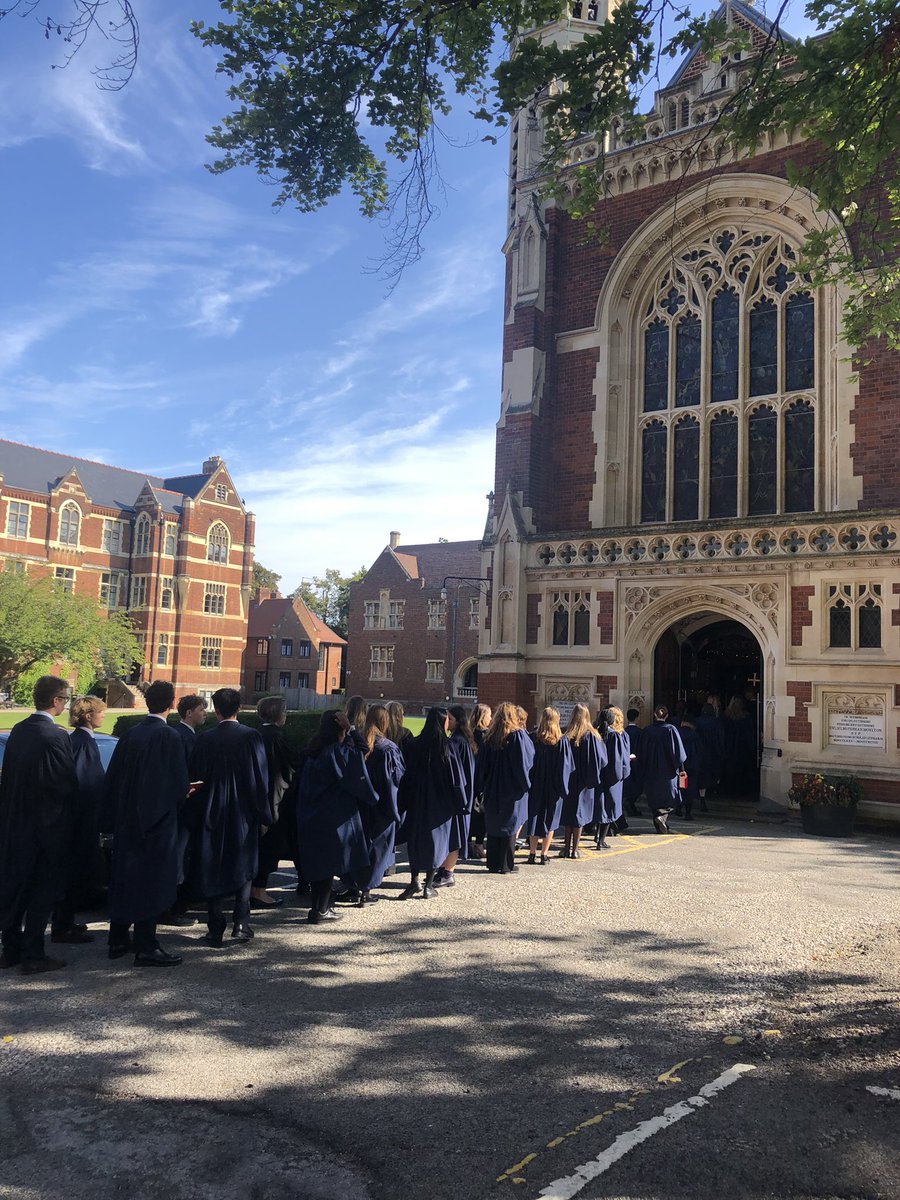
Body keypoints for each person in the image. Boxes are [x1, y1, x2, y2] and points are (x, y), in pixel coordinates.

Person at [101, 679, 189, 967]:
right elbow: (177, 785)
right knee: (152, 883)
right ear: (172, 703)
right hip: (157, 821)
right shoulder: (169, 737)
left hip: (127, 818)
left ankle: (117, 940)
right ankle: (146, 945)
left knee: (126, 878)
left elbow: (113, 778)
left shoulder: (130, 735)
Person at [0, 675, 78, 975]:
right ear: (56, 701)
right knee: (41, 891)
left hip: (15, 822)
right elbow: (65, 783)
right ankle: (33, 953)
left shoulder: (19, 731)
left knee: (16, 886)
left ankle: (11, 949)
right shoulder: (55, 736)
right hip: (46, 826)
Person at [188, 688, 271, 946]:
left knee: (213, 863)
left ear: (217, 710)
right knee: (244, 863)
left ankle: (215, 927)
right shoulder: (251, 737)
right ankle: (241, 922)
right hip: (242, 809)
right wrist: (264, 813)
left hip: (212, 808)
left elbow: (195, 779)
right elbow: (260, 778)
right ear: (239, 708)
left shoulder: (205, 739)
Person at [296, 710, 378, 922]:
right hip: (333, 814)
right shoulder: (337, 752)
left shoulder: (314, 750)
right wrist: (351, 728)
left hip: (311, 811)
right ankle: (321, 910)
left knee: (318, 863)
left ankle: (318, 907)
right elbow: (362, 750)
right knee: (328, 863)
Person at [50, 695, 107, 943]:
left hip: (76, 819)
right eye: (100, 712)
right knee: (74, 874)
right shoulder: (83, 743)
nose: (103, 716)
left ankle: (66, 920)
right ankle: (63, 925)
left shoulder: (79, 741)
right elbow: (87, 783)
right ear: (88, 715)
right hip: (81, 820)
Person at [397, 707, 465, 898]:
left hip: (417, 799)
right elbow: (456, 778)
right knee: (436, 842)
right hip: (440, 802)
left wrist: (404, 800)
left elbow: (406, 774)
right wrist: (459, 802)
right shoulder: (447, 746)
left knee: (416, 840)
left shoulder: (415, 744)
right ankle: (428, 885)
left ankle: (414, 881)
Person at [349, 704, 405, 903]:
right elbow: (394, 780)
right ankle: (366, 889)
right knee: (377, 848)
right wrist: (395, 810)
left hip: (359, 805)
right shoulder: (388, 748)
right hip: (382, 805)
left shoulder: (357, 743)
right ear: (385, 721)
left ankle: (353, 885)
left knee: (359, 844)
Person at [250, 694, 301, 909]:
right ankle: (259, 891)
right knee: (269, 846)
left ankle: (254, 888)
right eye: (284, 711)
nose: (286, 715)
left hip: (258, 796)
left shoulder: (256, 734)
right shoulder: (276, 736)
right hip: (275, 798)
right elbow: (293, 763)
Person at [480, 702, 535, 875]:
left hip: (493, 787)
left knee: (495, 823)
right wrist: (525, 784)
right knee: (510, 824)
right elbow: (524, 762)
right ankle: (505, 864)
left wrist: (483, 785)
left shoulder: (490, 737)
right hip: (512, 787)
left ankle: (493, 862)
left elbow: (482, 766)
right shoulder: (517, 736)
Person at [434, 704, 476, 888]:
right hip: (462, 795)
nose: (446, 721)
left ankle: (448, 872)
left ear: (458, 722)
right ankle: (445, 869)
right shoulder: (460, 740)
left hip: (458, 796)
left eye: (450, 719)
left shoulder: (457, 742)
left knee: (454, 834)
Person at [526, 707, 574, 865]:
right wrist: (563, 788)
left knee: (535, 817)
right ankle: (544, 854)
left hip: (536, 784)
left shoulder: (533, 737)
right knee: (550, 819)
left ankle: (532, 853)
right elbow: (565, 767)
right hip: (553, 785)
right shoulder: (561, 740)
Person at [561, 704, 607, 859]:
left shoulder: (566, 734)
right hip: (584, 781)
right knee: (579, 814)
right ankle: (575, 849)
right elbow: (601, 760)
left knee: (568, 813)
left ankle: (566, 848)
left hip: (569, 780)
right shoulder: (592, 736)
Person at [640, 705, 687, 833]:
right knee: (668, 798)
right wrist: (681, 768)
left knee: (654, 798)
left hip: (651, 771)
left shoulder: (647, 730)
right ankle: (661, 818)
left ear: (655, 715)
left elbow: (641, 752)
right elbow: (679, 753)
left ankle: (660, 823)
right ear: (666, 716)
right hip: (668, 771)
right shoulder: (671, 730)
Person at [594, 707, 631, 848]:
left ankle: (597, 835)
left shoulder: (596, 734)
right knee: (609, 807)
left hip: (598, 777)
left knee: (600, 807)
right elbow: (617, 760)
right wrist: (622, 775)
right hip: (611, 777)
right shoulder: (615, 735)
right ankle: (601, 840)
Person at [466, 703, 492, 861]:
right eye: (489, 715)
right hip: (481, 780)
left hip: (469, 780)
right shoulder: (486, 736)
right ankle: (479, 845)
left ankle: (468, 843)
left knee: (469, 812)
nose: (491, 718)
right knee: (481, 814)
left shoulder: (468, 734)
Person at [677, 712, 703, 820]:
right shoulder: (694, 735)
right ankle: (688, 812)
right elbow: (699, 752)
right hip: (691, 766)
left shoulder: (677, 733)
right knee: (689, 789)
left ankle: (678, 807)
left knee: (679, 787)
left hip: (678, 766)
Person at [623, 708, 644, 817]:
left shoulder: (623, 732)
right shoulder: (640, 733)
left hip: (625, 762)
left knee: (628, 784)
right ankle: (630, 803)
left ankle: (630, 803)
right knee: (637, 786)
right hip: (637, 762)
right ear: (637, 718)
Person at [174, 694, 208, 762]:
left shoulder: (175, 731)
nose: (205, 713)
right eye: (201, 710)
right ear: (189, 713)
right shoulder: (187, 738)